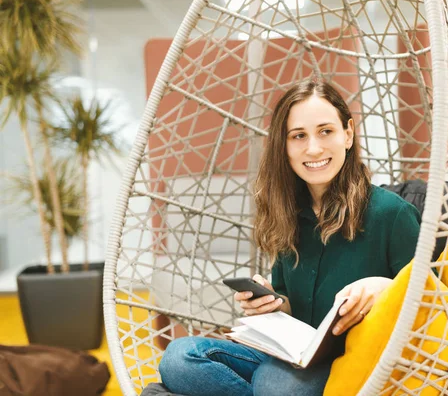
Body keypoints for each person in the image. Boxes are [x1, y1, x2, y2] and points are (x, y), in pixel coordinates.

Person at [156, 79, 421, 396]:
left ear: (348, 134)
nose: (313, 148)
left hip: (353, 363)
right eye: (299, 136)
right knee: (178, 358)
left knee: (274, 387)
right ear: (284, 145)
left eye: (326, 131)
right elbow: (293, 312)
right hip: (292, 358)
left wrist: (386, 287)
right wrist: (272, 304)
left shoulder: (392, 214)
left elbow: (434, 303)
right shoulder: (287, 216)